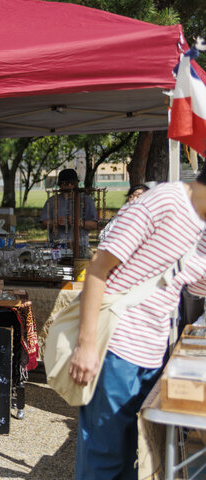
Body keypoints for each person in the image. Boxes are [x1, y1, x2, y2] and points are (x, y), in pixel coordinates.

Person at [69, 171, 206, 479]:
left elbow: (197, 287)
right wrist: (87, 345)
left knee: (136, 456)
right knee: (104, 460)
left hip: (153, 353)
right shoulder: (165, 201)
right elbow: (97, 270)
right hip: (115, 349)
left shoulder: (203, 226)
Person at [40, 168, 97, 257]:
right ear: (60, 185)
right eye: (66, 183)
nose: (70, 185)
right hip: (58, 247)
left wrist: (79, 222)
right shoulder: (52, 201)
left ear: (77, 183)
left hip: (81, 246)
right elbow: (43, 224)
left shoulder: (87, 200)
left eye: (73, 183)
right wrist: (56, 222)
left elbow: (94, 224)